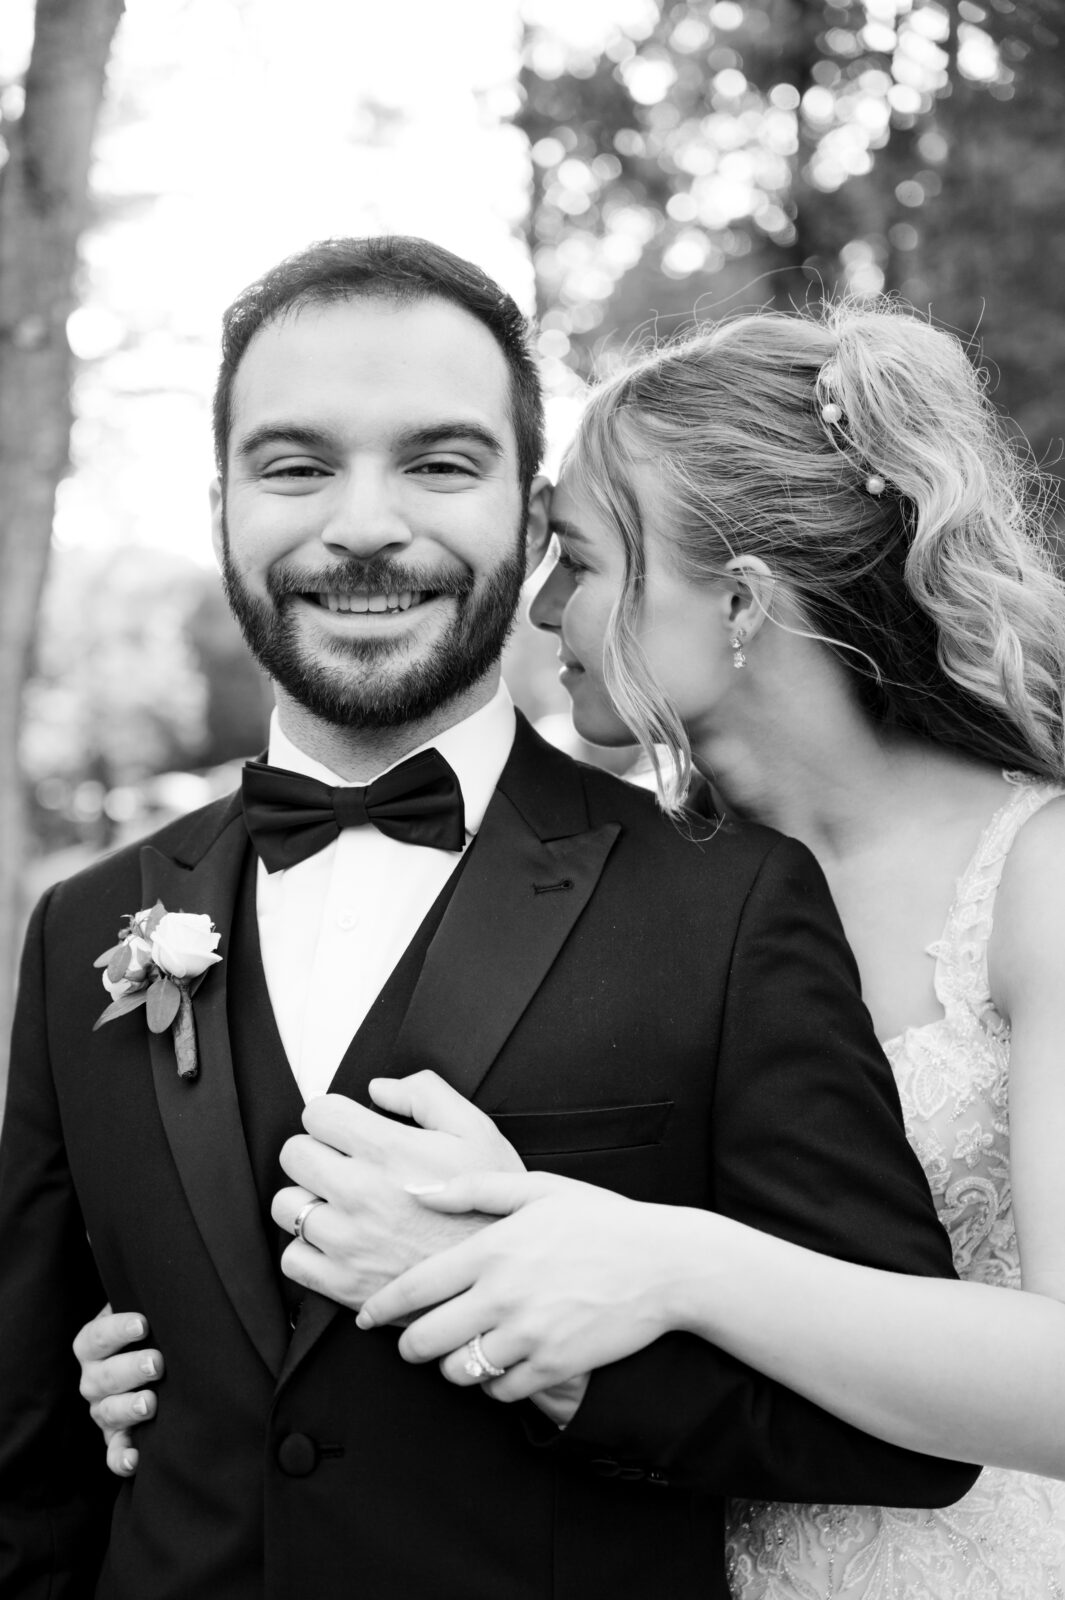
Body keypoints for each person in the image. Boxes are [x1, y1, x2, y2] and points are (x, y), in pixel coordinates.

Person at [0, 238, 977, 1600]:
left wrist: (570, 1364)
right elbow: (32, 1450)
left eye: (438, 464)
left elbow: (914, 1444)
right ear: (219, 500)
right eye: (294, 466)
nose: (362, 525)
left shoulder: (727, 901)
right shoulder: (82, 924)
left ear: (529, 521)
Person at [298, 299, 1065, 1596]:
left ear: (742, 605)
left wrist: (673, 1260)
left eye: (584, 561)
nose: (539, 610)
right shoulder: (612, 883)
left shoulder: (1035, 882)